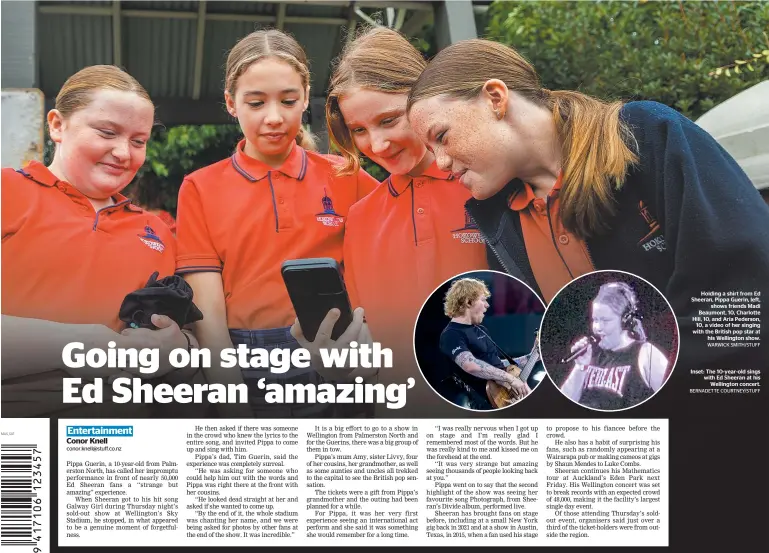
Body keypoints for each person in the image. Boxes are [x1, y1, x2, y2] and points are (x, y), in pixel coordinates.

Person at [406, 38, 769, 372]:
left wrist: (630, 382)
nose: (441, 163)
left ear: (495, 98)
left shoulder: (647, 135)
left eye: (442, 137)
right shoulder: (499, 226)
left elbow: (744, 300)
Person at [175, 29, 378, 416]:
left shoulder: (346, 175)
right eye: (255, 102)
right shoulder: (199, 187)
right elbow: (210, 314)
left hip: (336, 350)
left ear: (305, 97)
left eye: (288, 100)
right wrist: (230, 399)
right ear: (231, 104)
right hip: (246, 362)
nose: (274, 117)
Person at [291, 28, 488, 407]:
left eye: (390, 119)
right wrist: (339, 364)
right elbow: (367, 354)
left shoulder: (487, 185)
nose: (377, 146)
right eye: (359, 130)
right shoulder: (362, 218)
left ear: (425, 94)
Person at [1, 65, 195, 417]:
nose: (124, 152)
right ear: (57, 125)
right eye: (107, 132)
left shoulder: (159, 232)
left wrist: (177, 346)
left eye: (139, 141)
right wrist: (80, 345)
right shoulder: (7, 191)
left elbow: (184, 338)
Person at [560, 282, 669, 410]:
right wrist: (580, 366)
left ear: (625, 321)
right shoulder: (590, 353)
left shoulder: (646, 353)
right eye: (595, 320)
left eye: (605, 320)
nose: (598, 328)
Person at [437, 278, 529, 410]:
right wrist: (511, 379)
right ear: (469, 302)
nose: (487, 305)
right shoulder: (451, 334)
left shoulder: (481, 330)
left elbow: (495, 364)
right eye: (483, 299)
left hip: (501, 400)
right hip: (476, 405)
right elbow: (471, 365)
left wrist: (533, 356)